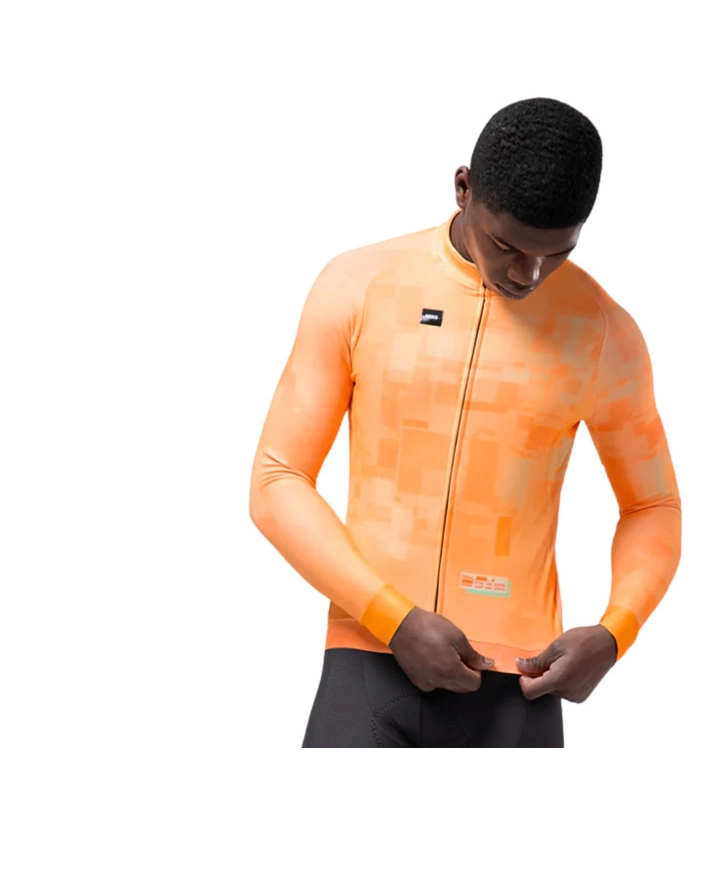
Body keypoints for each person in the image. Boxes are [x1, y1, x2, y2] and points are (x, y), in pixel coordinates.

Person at [248, 97, 682, 747]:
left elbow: (652, 505)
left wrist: (616, 631)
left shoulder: (602, 331)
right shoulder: (361, 285)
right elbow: (276, 478)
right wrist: (392, 618)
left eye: (555, 254)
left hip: (522, 685)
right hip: (370, 660)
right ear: (463, 188)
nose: (528, 274)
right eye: (507, 246)